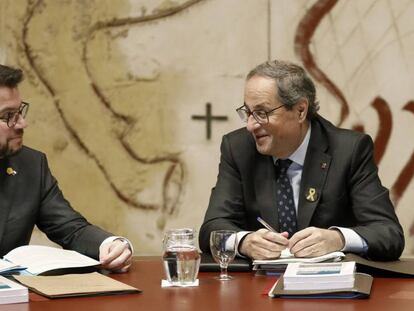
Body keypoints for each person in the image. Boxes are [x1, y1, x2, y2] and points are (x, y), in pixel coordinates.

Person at [199, 60, 404, 261]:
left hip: (330, 286)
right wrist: (243, 242)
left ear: (300, 111)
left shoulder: (348, 150)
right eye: (248, 113)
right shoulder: (238, 148)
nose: (251, 126)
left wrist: (338, 238)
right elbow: (212, 228)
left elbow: (389, 233)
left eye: (261, 113)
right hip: (260, 285)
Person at [0, 64, 132, 272]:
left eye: (19, 112)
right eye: (8, 116)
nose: (21, 124)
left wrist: (110, 245)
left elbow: (70, 228)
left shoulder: (31, 165)